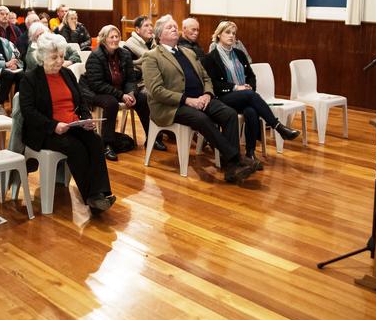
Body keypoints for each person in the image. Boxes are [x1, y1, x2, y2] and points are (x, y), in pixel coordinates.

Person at [142, 14, 259, 183]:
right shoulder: (152, 56)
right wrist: (187, 100)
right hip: (172, 106)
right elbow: (156, 91)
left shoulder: (188, 52)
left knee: (229, 114)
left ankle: (230, 168)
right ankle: (236, 158)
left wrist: (207, 94)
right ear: (159, 35)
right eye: (169, 27)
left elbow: (206, 78)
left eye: (175, 26)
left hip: (200, 99)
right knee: (202, 119)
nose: (174, 28)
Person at [20, 33, 115, 212]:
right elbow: (29, 112)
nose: (59, 61)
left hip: (71, 125)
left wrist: (86, 118)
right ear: (41, 57)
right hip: (45, 131)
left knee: (95, 140)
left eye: (62, 57)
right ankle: (91, 198)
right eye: (54, 57)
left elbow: (81, 101)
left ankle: (101, 193)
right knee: (75, 148)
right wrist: (53, 125)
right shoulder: (30, 78)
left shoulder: (67, 73)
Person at [202, 21, 300, 164]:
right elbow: (215, 84)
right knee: (249, 96)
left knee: (251, 111)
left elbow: (251, 75)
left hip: (243, 96)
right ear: (218, 35)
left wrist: (249, 87)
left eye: (234, 34)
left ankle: (250, 154)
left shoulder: (239, 54)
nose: (231, 36)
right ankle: (278, 127)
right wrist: (236, 88)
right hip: (223, 97)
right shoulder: (211, 58)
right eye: (227, 32)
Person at [80, 25, 165, 161]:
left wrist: (130, 93)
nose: (115, 39)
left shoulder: (124, 54)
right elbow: (97, 84)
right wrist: (121, 96)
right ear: (103, 39)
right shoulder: (95, 56)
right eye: (111, 37)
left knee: (143, 98)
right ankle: (107, 144)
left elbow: (131, 78)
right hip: (95, 91)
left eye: (117, 36)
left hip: (119, 90)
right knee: (111, 103)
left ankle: (153, 138)